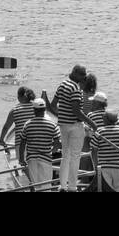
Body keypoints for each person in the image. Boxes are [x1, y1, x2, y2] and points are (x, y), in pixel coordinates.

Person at [42, 64, 88, 192]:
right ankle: (72, 188)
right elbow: (76, 111)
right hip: (75, 126)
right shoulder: (75, 88)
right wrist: (92, 124)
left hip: (63, 125)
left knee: (65, 156)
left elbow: (52, 106)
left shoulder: (63, 84)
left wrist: (62, 116)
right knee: (75, 157)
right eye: (83, 75)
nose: (84, 78)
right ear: (76, 73)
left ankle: (62, 186)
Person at [90, 109, 119, 192]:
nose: (102, 118)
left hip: (104, 168)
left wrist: (96, 166)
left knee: (106, 189)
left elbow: (93, 150)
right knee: (117, 189)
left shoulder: (99, 132)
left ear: (106, 119)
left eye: (103, 117)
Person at [19, 99, 59, 190]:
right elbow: (58, 143)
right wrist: (52, 150)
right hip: (46, 158)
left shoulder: (27, 124)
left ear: (34, 110)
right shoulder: (52, 124)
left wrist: (21, 159)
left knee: (36, 185)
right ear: (44, 109)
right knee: (46, 185)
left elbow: (22, 143)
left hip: (32, 159)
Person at [0, 86, 38, 165]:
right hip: (37, 142)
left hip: (20, 144)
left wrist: (1, 140)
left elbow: (6, 127)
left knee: (24, 166)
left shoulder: (14, 110)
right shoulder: (37, 107)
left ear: (19, 97)